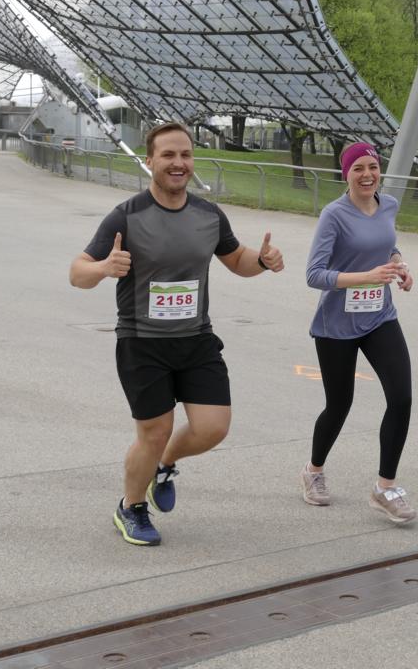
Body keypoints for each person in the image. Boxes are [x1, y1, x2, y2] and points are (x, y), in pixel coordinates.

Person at [69, 121, 284, 546]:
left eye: (185, 154)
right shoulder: (127, 216)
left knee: (213, 428)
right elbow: (78, 272)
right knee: (154, 431)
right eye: (168, 155)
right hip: (142, 343)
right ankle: (131, 507)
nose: (178, 163)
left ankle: (163, 463)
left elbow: (237, 260)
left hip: (196, 340)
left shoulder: (208, 215)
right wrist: (104, 267)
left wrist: (262, 261)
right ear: (150, 161)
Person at [301, 142, 417, 524]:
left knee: (401, 398)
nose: (367, 175)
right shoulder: (334, 215)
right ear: (346, 174)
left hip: (380, 317)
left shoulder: (389, 205)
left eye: (373, 167)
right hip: (337, 325)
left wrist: (399, 265)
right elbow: (314, 274)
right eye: (358, 169)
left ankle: (385, 488)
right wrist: (366, 276)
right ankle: (313, 471)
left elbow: (387, 245)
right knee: (339, 405)